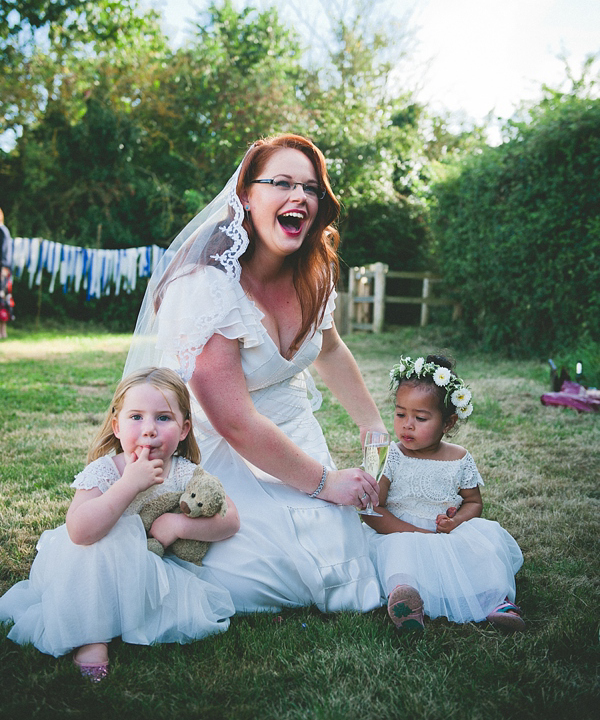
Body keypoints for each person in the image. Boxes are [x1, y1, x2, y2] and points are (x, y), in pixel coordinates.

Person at [124, 134, 386, 615]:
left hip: (297, 436)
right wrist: (325, 483)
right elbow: (234, 420)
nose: (300, 197)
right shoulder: (207, 284)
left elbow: (328, 347)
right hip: (227, 453)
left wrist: (373, 425)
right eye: (282, 183)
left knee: (342, 553)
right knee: (266, 572)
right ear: (246, 195)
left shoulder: (315, 271)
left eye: (310, 188)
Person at [0, 368, 239, 681]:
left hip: (151, 572)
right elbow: (80, 531)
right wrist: (129, 485)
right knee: (102, 542)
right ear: (116, 426)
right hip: (91, 566)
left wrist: (180, 526)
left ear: (184, 429)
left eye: (163, 418)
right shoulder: (106, 471)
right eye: (136, 417)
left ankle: (121, 621)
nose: (149, 429)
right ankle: (90, 639)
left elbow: (230, 520)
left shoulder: (185, 472)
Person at [365, 354, 525, 633]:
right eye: (400, 413)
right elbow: (373, 510)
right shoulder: (389, 455)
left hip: (447, 535)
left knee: (482, 548)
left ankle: (497, 601)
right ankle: (406, 601)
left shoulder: (459, 458)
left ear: (448, 423)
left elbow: (474, 502)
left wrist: (457, 522)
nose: (407, 425)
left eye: (420, 417)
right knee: (400, 555)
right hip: (398, 532)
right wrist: (415, 533)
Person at [0, 207, 14, 339]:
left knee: (2, 300)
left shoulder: (3, 231)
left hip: (2, 271)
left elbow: (5, 252)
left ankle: (3, 332)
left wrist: (4, 268)